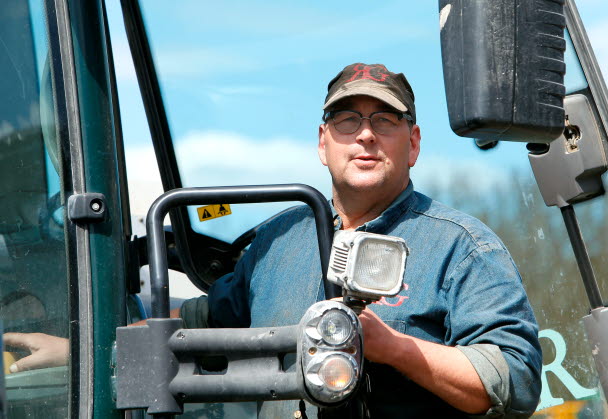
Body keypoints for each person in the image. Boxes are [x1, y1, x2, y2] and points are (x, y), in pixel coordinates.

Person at [179, 63, 542, 418]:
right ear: (323, 143)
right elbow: (211, 322)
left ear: (413, 144)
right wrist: (142, 326)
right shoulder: (275, 242)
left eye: (384, 120)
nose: (366, 135)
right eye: (347, 119)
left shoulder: (462, 247)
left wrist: (394, 348)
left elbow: (514, 380)